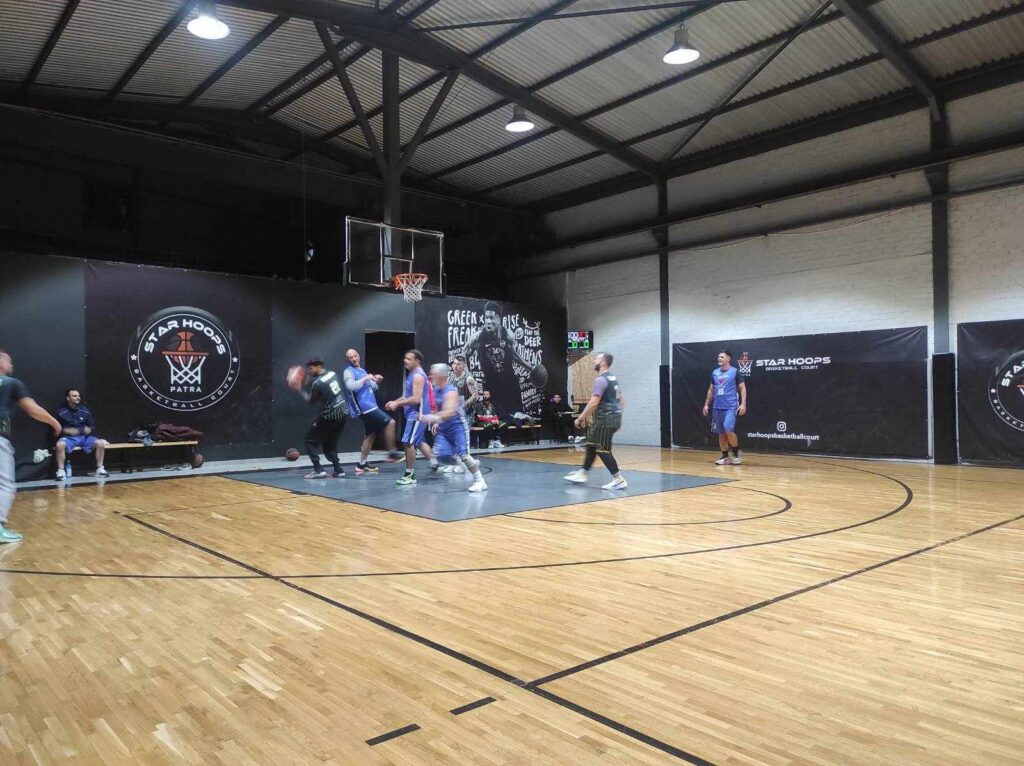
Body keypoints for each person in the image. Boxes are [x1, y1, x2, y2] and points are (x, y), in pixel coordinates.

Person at [0, 350, 62, 543]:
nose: (11, 364)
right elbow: (32, 409)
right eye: (9, 361)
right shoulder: (11, 383)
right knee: (4, 484)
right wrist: (54, 422)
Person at [564, 352, 627, 490]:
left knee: (603, 449)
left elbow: (593, 403)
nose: (594, 361)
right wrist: (618, 419)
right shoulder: (613, 379)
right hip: (611, 418)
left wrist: (580, 418)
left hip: (605, 419)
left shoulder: (601, 380)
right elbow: (621, 400)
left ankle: (619, 479)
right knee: (591, 442)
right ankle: (583, 473)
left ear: (603, 362)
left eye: (597, 359)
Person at [461, 301, 535, 417]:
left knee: (519, 417)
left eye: (491, 318)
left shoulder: (508, 335)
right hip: (492, 385)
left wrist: (530, 367)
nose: (488, 321)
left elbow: (514, 356)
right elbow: (463, 353)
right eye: (486, 318)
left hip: (510, 383)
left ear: (499, 319)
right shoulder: (478, 337)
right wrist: (468, 374)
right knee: (497, 419)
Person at [421, 363, 487, 492]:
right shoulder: (436, 389)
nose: (430, 376)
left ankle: (480, 481)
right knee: (441, 456)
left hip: (457, 427)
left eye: (433, 373)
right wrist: (436, 422)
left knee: (464, 456)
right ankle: (461, 461)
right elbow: (438, 409)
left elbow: (449, 413)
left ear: (441, 376)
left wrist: (429, 418)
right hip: (444, 429)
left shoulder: (451, 391)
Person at [343, 348, 402, 474]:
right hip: (365, 407)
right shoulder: (348, 372)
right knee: (390, 422)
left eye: (355, 356)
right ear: (347, 359)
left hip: (370, 405)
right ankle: (392, 453)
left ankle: (361, 464)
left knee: (370, 435)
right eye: (351, 357)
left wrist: (376, 380)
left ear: (358, 356)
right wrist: (366, 378)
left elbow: (373, 387)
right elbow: (350, 386)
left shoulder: (362, 371)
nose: (354, 359)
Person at [385, 349, 437, 485]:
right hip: (413, 414)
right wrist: (395, 401)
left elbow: (416, 399)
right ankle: (433, 461)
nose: (405, 361)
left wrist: (397, 404)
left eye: (408, 359)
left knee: (408, 442)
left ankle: (410, 474)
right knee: (417, 442)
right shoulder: (412, 374)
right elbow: (407, 396)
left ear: (417, 361)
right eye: (405, 358)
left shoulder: (418, 376)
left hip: (417, 415)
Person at [290, 357, 349, 479]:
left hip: (330, 416)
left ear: (319, 366)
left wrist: (300, 389)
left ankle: (318, 470)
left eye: (311, 369)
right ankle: (339, 470)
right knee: (330, 445)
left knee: (309, 441)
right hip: (343, 413)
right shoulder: (333, 374)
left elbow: (311, 402)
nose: (309, 371)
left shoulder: (317, 383)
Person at [702, 350, 747, 465]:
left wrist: (743, 404)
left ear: (728, 359)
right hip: (717, 407)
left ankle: (736, 452)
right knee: (721, 433)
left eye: (722, 357)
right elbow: (711, 389)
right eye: (718, 357)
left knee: (728, 429)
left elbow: (742, 388)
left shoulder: (735, 372)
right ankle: (725, 456)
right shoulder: (715, 373)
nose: (719, 359)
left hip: (730, 407)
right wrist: (706, 404)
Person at [54, 388, 109, 479]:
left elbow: (91, 426)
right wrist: (64, 430)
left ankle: (100, 469)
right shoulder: (60, 412)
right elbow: (57, 428)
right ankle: (61, 471)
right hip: (68, 439)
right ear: (68, 398)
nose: (78, 398)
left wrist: (86, 430)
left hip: (84, 438)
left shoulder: (85, 410)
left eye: (78, 396)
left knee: (100, 443)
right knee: (59, 445)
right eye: (74, 396)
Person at [443, 355, 477, 472]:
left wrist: (463, 405)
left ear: (464, 366)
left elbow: (475, 396)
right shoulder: (450, 378)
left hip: (466, 412)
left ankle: (465, 465)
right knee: (452, 438)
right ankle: (453, 463)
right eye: (454, 363)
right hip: (454, 413)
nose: (455, 366)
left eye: (458, 364)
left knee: (463, 439)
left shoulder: (468, 379)